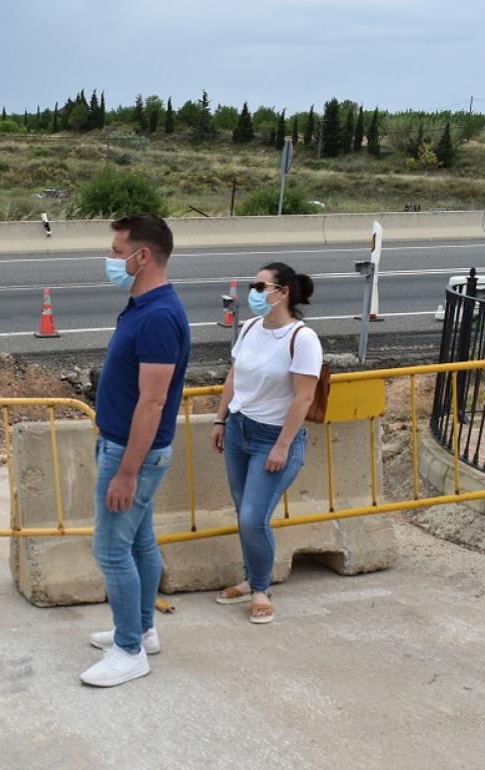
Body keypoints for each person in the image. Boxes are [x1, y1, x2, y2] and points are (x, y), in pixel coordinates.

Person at [81, 214, 191, 688]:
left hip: (133, 453)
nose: (110, 259)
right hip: (124, 445)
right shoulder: (145, 306)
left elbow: (154, 400)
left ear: (141, 256)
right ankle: (143, 630)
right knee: (140, 542)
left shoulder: (160, 316)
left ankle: (129, 650)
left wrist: (128, 471)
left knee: (110, 550)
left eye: (114, 250)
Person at [210, 262, 321, 624]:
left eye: (260, 287)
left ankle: (260, 589)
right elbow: (234, 374)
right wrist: (221, 418)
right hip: (240, 429)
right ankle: (249, 579)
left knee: (254, 518)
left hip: (273, 437)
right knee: (244, 514)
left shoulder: (302, 338)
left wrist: (282, 446)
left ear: (283, 292)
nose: (253, 293)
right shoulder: (251, 327)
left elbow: (303, 399)